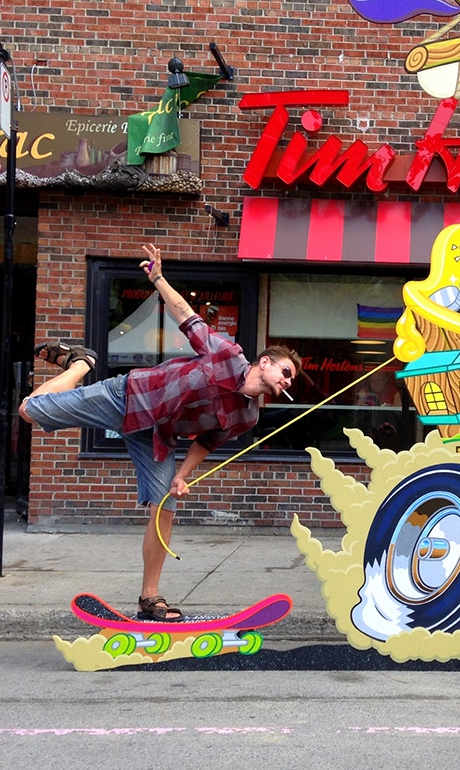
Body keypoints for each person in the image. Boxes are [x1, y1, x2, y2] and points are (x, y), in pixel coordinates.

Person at [19, 243, 300, 621]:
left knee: (165, 505)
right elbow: (188, 318)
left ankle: (149, 598)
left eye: (291, 381)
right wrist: (158, 278)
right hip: (129, 396)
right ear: (264, 362)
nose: (286, 382)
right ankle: (82, 363)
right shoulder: (226, 353)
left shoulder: (246, 416)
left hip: (157, 436)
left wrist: (181, 478)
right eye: (285, 372)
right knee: (28, 410)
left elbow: (205, 442)